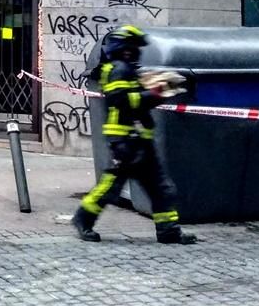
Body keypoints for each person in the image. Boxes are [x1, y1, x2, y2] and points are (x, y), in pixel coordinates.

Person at [72, 25, 197, 245]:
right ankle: (83, 219)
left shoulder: (126, 68)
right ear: (125, 48)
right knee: (111, 188)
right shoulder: (119, 69)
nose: (136, 52)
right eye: (133, 47)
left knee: (161, 188)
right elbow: (121, 101)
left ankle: (168, 231)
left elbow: (135, 100)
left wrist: (156, 90)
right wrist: (154, 94)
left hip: (138, 141)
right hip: (125, 142)